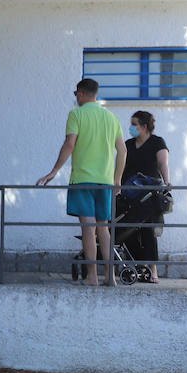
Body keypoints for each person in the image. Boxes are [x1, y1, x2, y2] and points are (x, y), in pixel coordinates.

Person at [37, 78, 127, 286]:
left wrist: (54, 170)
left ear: (81, 94)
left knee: (88, 228)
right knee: (103, 228)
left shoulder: (76, 114)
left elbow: (70, 144)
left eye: (76, 94)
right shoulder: (112, 118)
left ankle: (92, 276)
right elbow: (122, 150)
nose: (75, 97)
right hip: (105, 182)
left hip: (83, 180)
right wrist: (117, 179)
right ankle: (110, 277)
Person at [117, 110, 171, 283]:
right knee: (129, 230)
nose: (131, 127)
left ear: (144, 126)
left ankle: (153, 270)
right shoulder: (129, 144)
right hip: (130, 194)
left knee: (149, 230)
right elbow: (120, 166)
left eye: (134, 124)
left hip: (150, 194)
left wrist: (167, 181)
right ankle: (137, 267)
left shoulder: (157, 142)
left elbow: (163, 163)